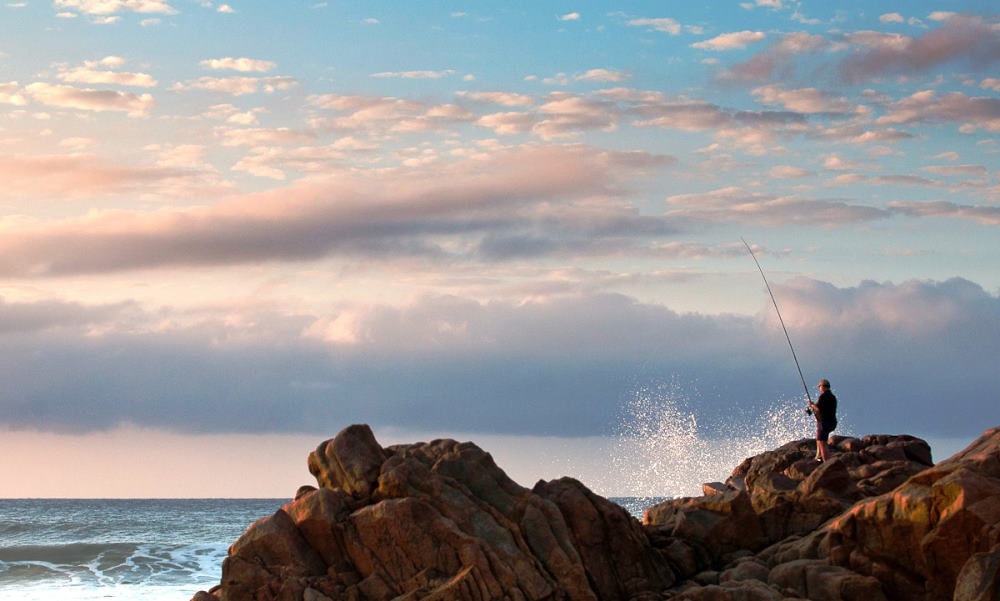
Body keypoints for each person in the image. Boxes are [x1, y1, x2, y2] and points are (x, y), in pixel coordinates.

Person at [808, 379, 838, 462]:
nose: (819, 388)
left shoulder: (823, 396)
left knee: (822, 443)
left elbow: (818, 409)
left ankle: (826, 462)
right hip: (832, 422)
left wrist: (812, 405)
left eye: (819, 386)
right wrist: (814, 405)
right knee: (820, 440)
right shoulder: (832, 397)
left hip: (824, 423)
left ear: (823, 387)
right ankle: (819, 457)